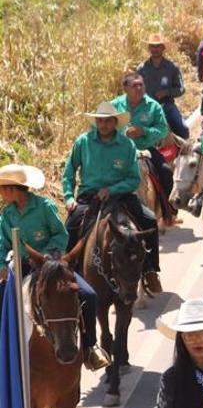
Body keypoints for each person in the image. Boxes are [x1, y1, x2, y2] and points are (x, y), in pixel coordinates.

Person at [63, 101, 162, 294]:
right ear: (96, 122)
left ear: (115, 122)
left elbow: (134, 178)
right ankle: (69, 275)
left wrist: (112, 189)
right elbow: (68, 172)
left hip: (121, 196)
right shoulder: (83, 142)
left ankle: (150, 269)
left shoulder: (126, 145)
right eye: (100, 121)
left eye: (108, 121)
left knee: (149, 220)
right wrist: (68, 197)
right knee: (70, 228)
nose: (104, 125)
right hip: (89, 197)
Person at [0, 164, 97, 359]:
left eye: (2, 189)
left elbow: (61, 235)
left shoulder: (45, 207)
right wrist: (2, 265)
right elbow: (2, 243)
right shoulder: (7, 215)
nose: (0, 194)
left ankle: (90, 348)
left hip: (52, 264)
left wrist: (45, 256)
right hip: (23, 267)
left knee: (89, 295)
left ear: (12, 189)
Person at [112, 71, 175, 226]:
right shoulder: (114, 105)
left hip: (146, 149)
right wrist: (123, 133)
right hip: (119, 150)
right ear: (125, 88)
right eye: (135, 85)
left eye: (141, 84)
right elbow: (104, 127)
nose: (139, 88)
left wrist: (143, 132)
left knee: (166, 172)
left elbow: (163, 129)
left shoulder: (153, 106)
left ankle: (168, 211)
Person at [137, 33, 188, 140]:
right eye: (152, 46)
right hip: (148, 109)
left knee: (183, 129)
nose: (155, 49)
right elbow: (135, 91)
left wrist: (167, 92)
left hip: (167, 106)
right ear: (149, 48)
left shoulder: (172, 67)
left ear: (163, 48)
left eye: (158, 46)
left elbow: (181, 89)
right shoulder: (141, 69)